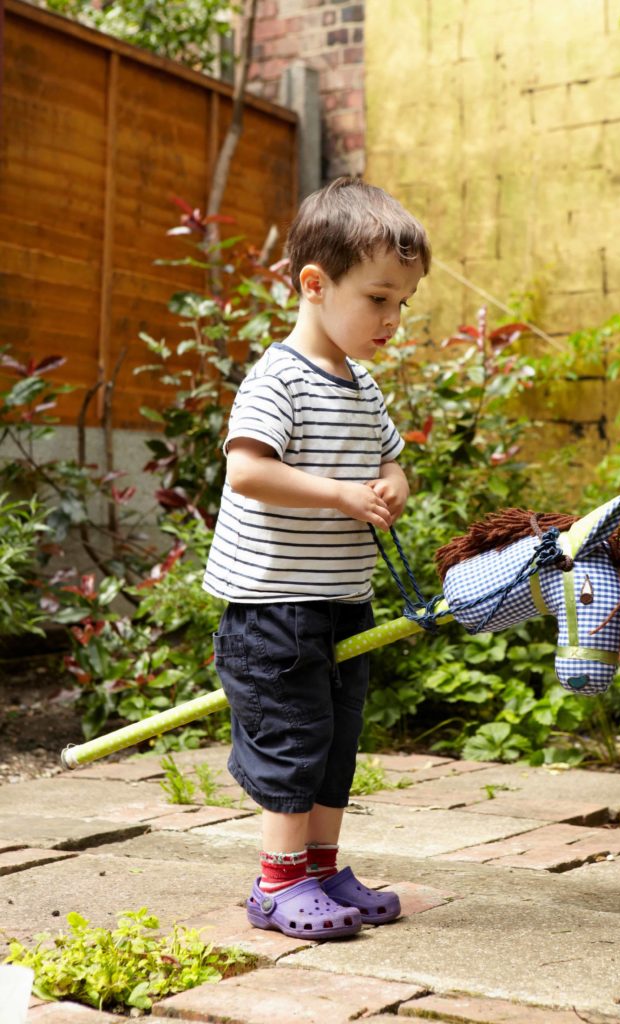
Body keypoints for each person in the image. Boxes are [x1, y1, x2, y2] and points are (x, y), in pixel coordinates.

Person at [203, 176, 430, 940]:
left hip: (339, 600)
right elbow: (247, 471)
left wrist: (391, 486)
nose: (392, 319)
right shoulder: (278, 379)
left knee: (334, 744)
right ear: (313, 283)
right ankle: (275, 886)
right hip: (273, 610)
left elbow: (396, 462)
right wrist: (340, 495)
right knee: (291, 745)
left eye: (402, 303)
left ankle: (322, 870)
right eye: (378, 299)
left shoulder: (361, 387)